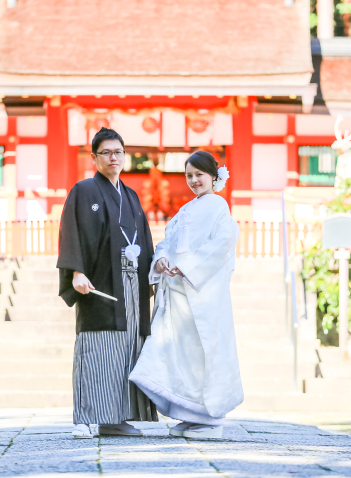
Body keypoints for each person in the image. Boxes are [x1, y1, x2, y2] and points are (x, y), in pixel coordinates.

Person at [129, 150, 243, 439]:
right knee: (177, 354)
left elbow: (222, 244)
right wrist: (162, 259)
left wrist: (188, 266)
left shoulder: (219, 207)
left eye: (199, 175)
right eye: (189, 176)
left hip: (201, 294)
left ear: (213, 177)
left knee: (198, 354)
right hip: (177, 292)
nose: (193, 181)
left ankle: (208, 418)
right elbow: (168, 240)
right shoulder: (186, 210)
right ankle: (189, 414)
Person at [57, 127, 158, 439]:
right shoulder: (84, 191)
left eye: (118, 152)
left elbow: (145, 240)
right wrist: (75, 271)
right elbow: (71, 232)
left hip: (131, 285)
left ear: (125, 156)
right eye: (106, 153)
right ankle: (86, 418)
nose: (113, 158)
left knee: (128, 349)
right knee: (97, 349)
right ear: (94, 158)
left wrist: (151, 277)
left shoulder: (131, 196)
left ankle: (116, 418)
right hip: (100, 282)